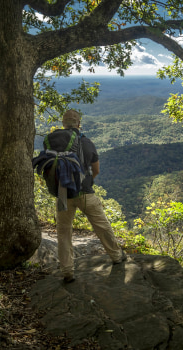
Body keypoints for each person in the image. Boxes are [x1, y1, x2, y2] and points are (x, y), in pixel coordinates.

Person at [52, 109, 126, 283]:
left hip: (63, 194)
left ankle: (67, 270)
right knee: (101, 225)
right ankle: (116, 256)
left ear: (63, 124)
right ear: (78, 124)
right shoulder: (86, 142)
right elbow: (97, 169)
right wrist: (88, 182)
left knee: (63, 232)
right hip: (85, 193)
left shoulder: (54, 142)